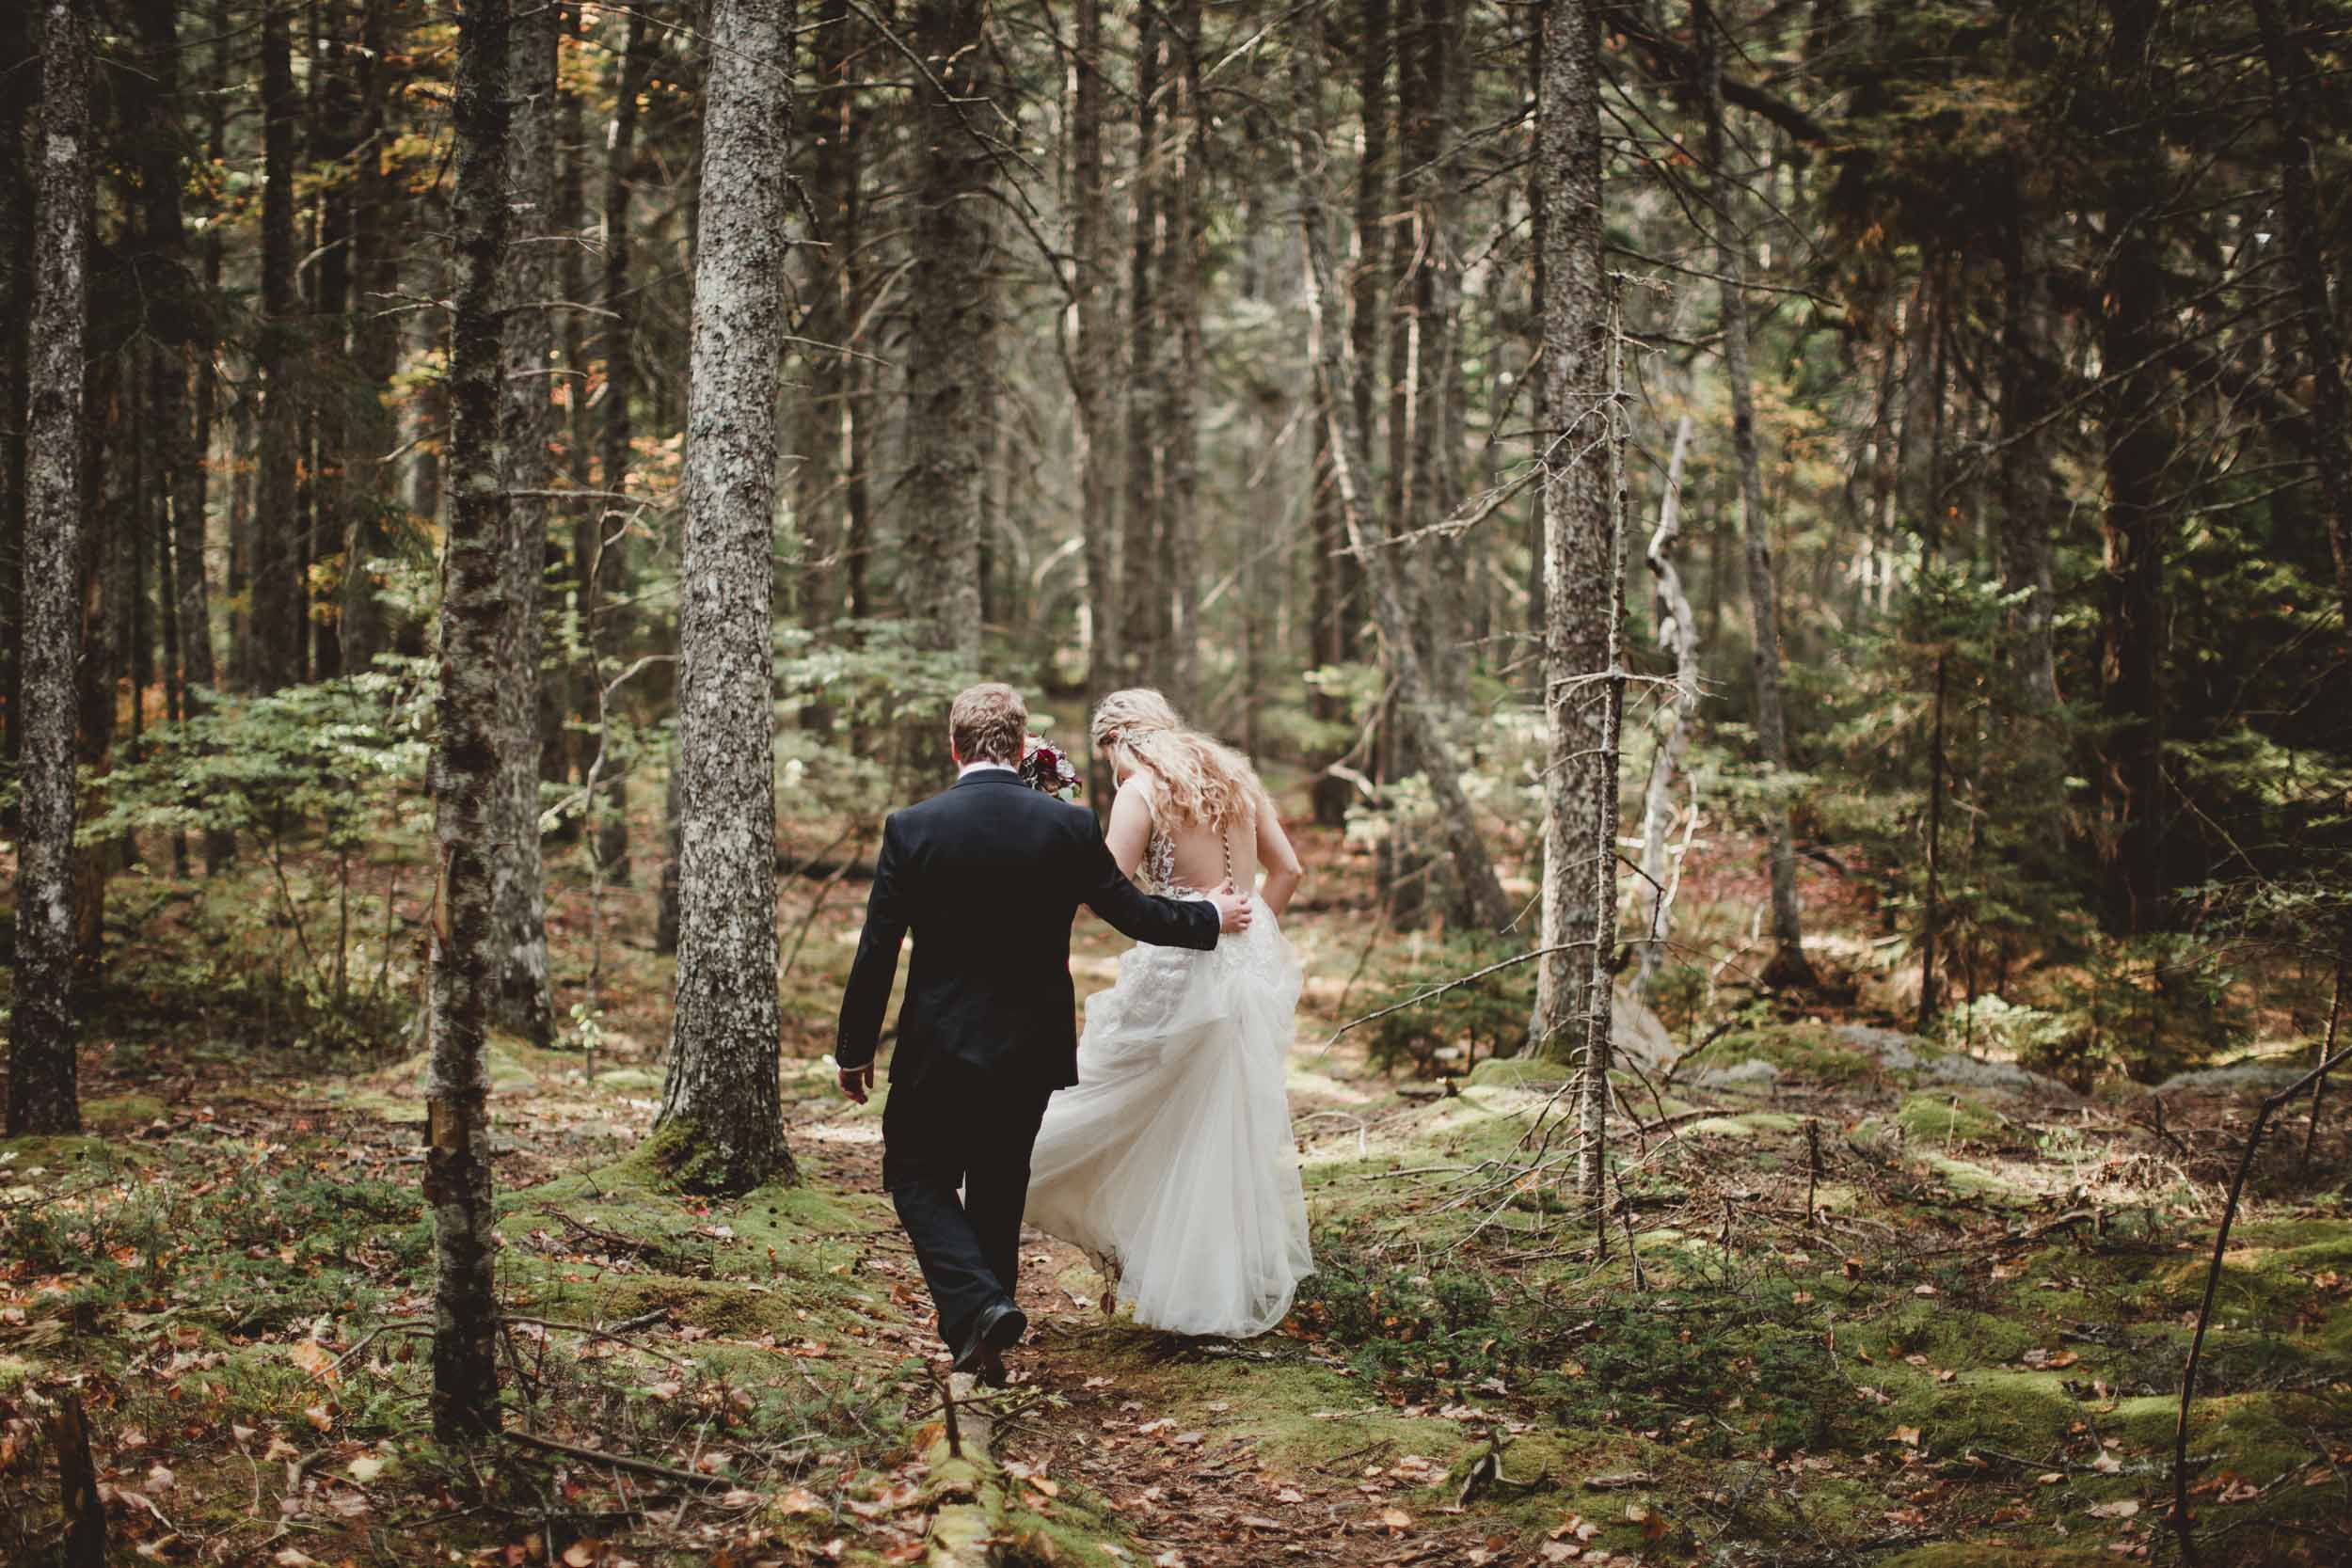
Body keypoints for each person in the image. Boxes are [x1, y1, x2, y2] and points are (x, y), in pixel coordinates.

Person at [834, 683, 1255, 1382]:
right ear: (1024, 746)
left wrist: (854, 1049)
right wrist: (1210, 918)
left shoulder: (913, 826)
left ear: (954, 746)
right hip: (1031, 1047)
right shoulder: (1065, 825)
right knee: (998, 1183)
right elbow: (1132, 912)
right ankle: (985, 1338)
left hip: (937, 1046)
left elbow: (877, 947)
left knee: (915, 1172)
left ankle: (977, 1305)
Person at [1024, 689, 1315, 1338]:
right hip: (1247, 967)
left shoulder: (1143, 790)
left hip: (1184, 962)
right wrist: (1250, 930)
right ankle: (1214, 1289)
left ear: (1118, 742)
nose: (1114, 773)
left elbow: (1109, 887)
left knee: (1110, 1094)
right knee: (1220, 1124)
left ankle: (1008, 1169)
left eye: (1110, 760)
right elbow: (1288, 869)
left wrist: (1194, 916)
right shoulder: (1236, 777)